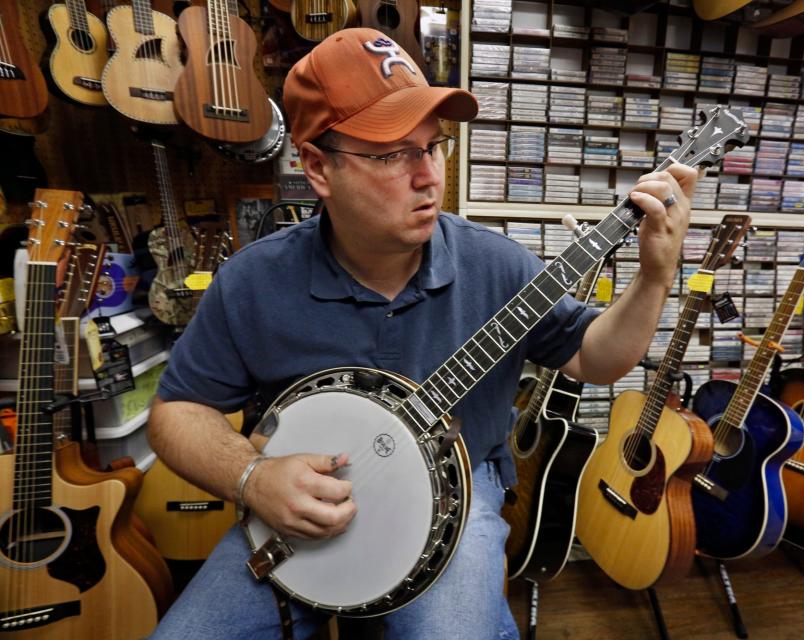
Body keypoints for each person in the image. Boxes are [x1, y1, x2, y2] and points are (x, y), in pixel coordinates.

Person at [147, 27, 697, 640]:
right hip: (295, 515)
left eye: (433, 147)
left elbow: (595, 359)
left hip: (458, 502)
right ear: (317, 167)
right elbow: (177, 413)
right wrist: (252, 478)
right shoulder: (254, 280)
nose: (428, 176)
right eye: (390, 154)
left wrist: (654, 277)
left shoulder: (497, 264)